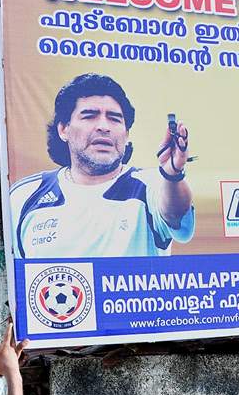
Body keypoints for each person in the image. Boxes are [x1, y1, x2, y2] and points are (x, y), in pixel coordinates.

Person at [10, 73, 194, 258]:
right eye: (90, 116)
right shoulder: (23, 196)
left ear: (126, 134)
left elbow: (175, 215)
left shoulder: (153, 184)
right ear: (63, 129)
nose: (104, 127)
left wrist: (173, 174)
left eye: (115, 118)